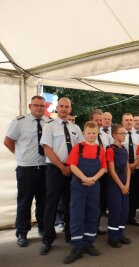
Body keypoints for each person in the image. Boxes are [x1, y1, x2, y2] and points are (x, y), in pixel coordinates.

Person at [4, 95, 51, 247]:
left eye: (42, 106)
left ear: (45, 108)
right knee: (24, 202)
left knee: (43, 201)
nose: (39, 108)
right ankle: (22, 233)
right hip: (26, 169)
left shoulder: (49, 123)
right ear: (30, 106)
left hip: (44, 168)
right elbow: (8, 141)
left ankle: (43, 228)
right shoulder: (20, 122)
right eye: (36, 105)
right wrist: (20, 156)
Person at [39, 97, 84, 255]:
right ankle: (47, 239)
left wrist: (71, 167)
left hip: (72, 170)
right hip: (55, 169)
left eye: (67, 107)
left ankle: (71, 235)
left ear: (70, 109)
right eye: (61, 106)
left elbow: (80, 150)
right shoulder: (49, 126)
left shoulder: (76, 128)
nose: (64, 109)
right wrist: (62, 167)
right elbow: (47, 149)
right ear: (57, 108)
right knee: (51, 204)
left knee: (70, 204)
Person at [63, 121, 106, 264]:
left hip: (94, 186)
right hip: (78, 186)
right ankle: (77, 247)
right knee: (76, 215)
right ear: (84, 133)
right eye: (89, 133)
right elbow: (73, 166)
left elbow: (103, 168)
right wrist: (84, 178)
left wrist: (93, 179)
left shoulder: (101, 150)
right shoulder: (78, 148)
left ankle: (88, 243)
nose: (92, 136)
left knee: (92, 214)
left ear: (97, 134)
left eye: (94, 133)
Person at [106, 123, 131, 248]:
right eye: (121, 133)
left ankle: (121, 234)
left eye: (125, 133)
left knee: (124, 210)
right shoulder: (110, 150)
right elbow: (111, 170)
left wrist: (127, 183)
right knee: (115, 210)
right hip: (115, 183)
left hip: (124, 182)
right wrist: (121, 186)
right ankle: (112, 237)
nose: (124, 135)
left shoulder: (124, 149)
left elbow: (128, 169)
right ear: (114, 134)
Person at [122, 113, 139, 227]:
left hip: (136, 168)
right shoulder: (119, 134)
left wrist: (134, 164)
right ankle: (123, 216)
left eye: (131, 120)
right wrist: (126, 166)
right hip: (123, 169)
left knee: (134, 194)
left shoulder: (138, 136)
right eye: (127, 120)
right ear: (123, 121)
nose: (129, 122)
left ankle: (132, 216)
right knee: (123, 193)